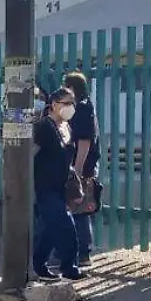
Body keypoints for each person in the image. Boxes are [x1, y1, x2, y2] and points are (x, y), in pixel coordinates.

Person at [29, 88, 85, 280]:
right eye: (66, 103)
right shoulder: (44, 127)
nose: (71, 107)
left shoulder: (67, 127)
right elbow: (30, 154)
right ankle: (69, 267)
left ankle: (39, 266)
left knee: (49, 229)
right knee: (66, 226)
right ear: (54, 105)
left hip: (61, 187)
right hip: (45, 187)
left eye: (72, 103)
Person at [62, 72, 101, 266]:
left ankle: (83, 253)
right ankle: (74, 252)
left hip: (82, 167)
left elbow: (84, 142)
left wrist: (77, 170)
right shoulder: (79, 108)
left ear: (72, 88)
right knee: (75, 207)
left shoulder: (84, 108)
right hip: (78, 165)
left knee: (80, 209)